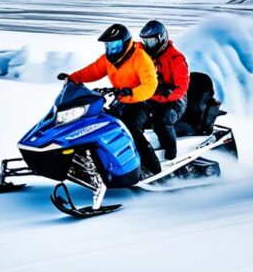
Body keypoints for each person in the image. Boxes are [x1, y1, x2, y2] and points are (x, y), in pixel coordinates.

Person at [59, 23, 161, 173]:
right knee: (100, 123)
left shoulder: (140, 57)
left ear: (125, 43)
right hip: (121, 100)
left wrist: (132, 92)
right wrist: (72, 78)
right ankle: (97, 160)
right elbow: (92, 71)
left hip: (142, 102)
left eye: (115, 46)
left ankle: (152, 166)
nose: (111, 50)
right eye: (108, 46)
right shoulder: (109, 59)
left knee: (131, 128)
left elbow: (150, 85)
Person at [139, 20, 190, 161]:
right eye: (145, 42)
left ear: (161, 39)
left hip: (175, 100)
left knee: (161, 121)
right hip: (153, 96)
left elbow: (181, 86)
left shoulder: (176, 59)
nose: (148, 46)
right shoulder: (146, 56)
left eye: (151, 42)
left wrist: (161, 95)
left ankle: (171, 154)